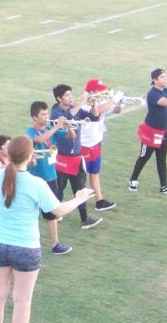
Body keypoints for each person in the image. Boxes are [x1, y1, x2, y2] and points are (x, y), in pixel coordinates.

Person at [0, 136, 95, 323]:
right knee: (22, 301)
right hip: (25, 248)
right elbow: (58, 211)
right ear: (29, 155)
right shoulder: (36, 183)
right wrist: (79, 198)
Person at [24, 101, 73, 254]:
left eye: (47, 113)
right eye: (43, 114)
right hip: (35, 178)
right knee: (29, 212)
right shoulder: (30, 132)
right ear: (34, 117)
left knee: (51, 213)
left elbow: (71, 136)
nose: (46, 117)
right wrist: (57, 126)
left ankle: (55, 244)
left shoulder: (50, 128)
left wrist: (69, 126)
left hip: (51, 176)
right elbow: (38, 140)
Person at [50, 85, 101, 229]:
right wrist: (80, 102)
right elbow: (68, 118)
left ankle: (84, 219)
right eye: (66, 95)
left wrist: (93, 103)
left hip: (76, 158)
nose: (70, 97)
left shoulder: (75, 108)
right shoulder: (56, 113)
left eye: (70, 94)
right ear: (59, 98)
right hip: (62, 158)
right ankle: (55, 213)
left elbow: (94, 117)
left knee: (80, 188)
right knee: (59, 189)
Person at [128, 69, 167, 194]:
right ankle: (133, 179)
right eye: (162, 77)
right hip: (151, 131)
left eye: (165, 76)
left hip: (163, 131)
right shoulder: (152, 94)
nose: (165, 79)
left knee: (161, 159)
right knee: (144, 157)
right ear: (154, 80)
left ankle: (164, 186)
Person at [75, 78, 121, 211]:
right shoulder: (84, 103)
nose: (102, 93)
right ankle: (78, 202)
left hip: (96, 143)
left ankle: (99, 201)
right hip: (84, 145)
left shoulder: (100, 100)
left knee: (95, 172)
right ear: (92, 91)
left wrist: (120, 104)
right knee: (80, 176)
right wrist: (114, 99)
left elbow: (116, 110)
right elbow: (97, 111)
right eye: (99, 91)